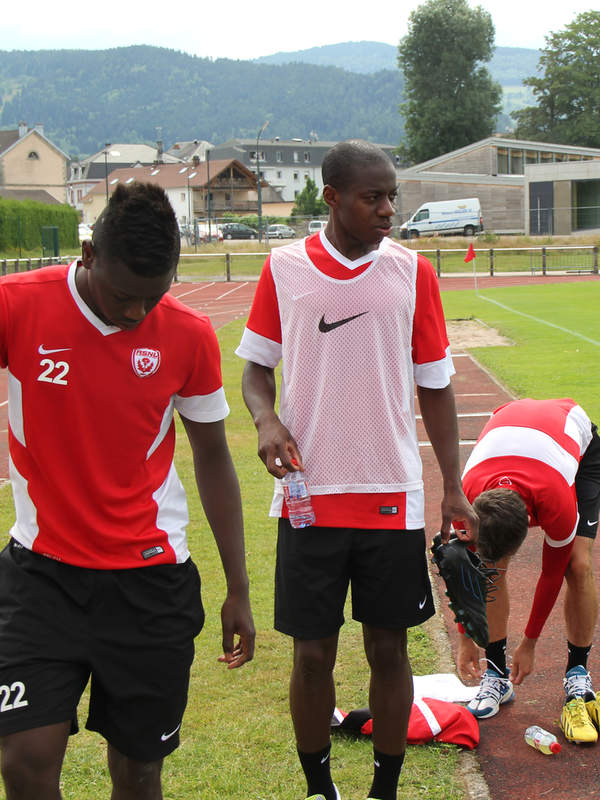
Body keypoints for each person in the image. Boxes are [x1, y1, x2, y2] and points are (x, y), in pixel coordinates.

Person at [0, 181, 256, 800]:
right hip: (42, 580)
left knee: (139, 772)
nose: (137, 313)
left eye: (153, 295)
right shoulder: (15, 303)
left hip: (150, 584)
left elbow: (214, 457)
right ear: (88, 254)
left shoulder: (187, 335)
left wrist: (238, 589)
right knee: (26, 762)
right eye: (122, 295)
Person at [235, 139, 476, 800]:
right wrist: (265, 420)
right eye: (373, 197)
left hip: (390, 496)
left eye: (392, 195)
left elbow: (436, 385)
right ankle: (319, 789)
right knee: (312, 656)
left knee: (389, 650)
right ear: (332, 197)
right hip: (308, 499)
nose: (388, 209)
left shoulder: (413, 272)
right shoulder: (284, 268)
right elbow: (255, 367)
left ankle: (385, 790)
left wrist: (453, 484)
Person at [454, 397, 600, 745]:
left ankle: (578, 671)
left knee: (577, 566)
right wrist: (464, 637)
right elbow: (464, 573)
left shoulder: (555, 499)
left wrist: (530, 643)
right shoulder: (465, 502)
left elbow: (551, 575)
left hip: (573, 441)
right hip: (513, 430)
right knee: (491, 569)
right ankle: (497, 675)